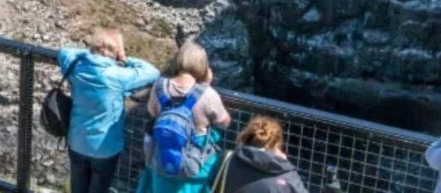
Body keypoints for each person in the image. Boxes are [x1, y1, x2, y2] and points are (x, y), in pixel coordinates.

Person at [60, 28, 161, 193]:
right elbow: (153, 73)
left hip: (77, 141)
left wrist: (90, 53)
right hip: (105, 148)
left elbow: (65, 51)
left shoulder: (77, 65)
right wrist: (125, 59)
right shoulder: (118, 75)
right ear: (116, 50)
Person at [137, 41, 232, 193]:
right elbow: (224, 122)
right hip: (195, 158)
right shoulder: (208, 94)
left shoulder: (160, 86)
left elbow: (153, 112)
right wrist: (205, 86)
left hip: (163, 152)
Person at [212, 116, 306, 193]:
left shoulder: (227, 159)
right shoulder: (287, 175)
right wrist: (283, 163)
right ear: (276, 143)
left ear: (247, 135)